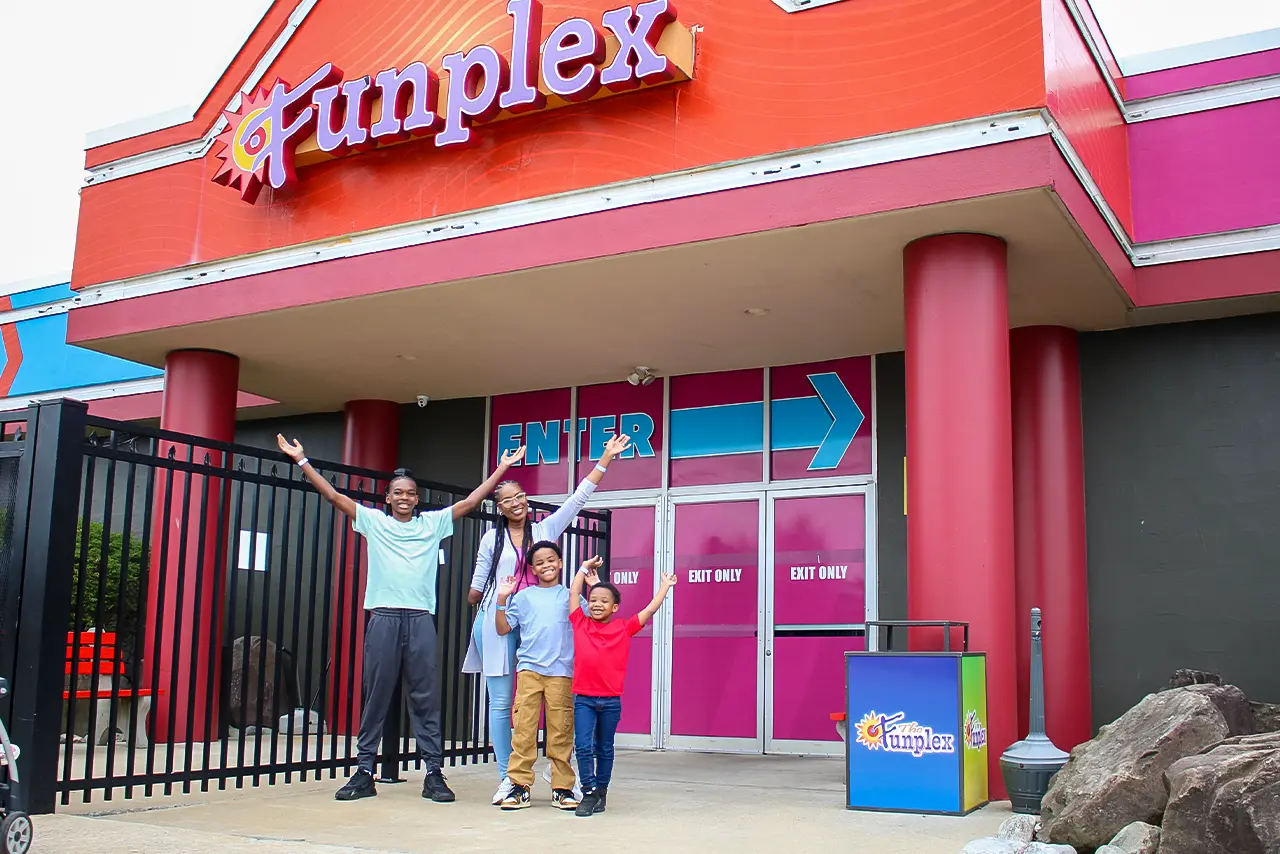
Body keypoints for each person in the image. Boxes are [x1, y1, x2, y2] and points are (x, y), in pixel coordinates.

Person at [276, 433, 526, 803]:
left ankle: (433, 774)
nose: (405, 497)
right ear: (388, 497)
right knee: (376, 694)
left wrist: (502, 466)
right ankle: (364, 772)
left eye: (411, 492)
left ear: (416, 497)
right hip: (384, 617)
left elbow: (473, 501)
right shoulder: (375, 522)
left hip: (421, 619)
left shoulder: (433, 525)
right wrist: (302, 461)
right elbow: (333, 496)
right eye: (399, 492)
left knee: (425, 696)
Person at [462, 433, 631, 805]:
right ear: (499, 507)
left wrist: (604, 459)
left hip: (545, 619)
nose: (515, 503)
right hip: (501, 616)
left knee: (553, 705)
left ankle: (557, 779)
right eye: (507, 500)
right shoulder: (491, 539)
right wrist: (486, 606)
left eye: (519, 496)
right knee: (505, 704)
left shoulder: (545, 530)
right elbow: (477, 585)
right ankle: (509, 778)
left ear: (526, 499)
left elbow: (578, 499)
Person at [568, 556, 676, 816]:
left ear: (615, 607)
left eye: (604, 601)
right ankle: (589, 791)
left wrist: (664, 586)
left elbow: (650, 609)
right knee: (582, 746)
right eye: (593, 600)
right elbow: (573, 592)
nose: (596, 605)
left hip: (610, 700)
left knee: (604, 747)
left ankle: (601, 791)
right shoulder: (579, 623)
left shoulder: (624, 628)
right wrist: (583, 570)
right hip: (584, 698)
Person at [493, 541, 578, 811]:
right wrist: (502, 599)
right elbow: (503, 627)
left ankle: (562, 787)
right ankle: (519, 786)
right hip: (529, 671)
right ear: (532, 569)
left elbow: (590, 624)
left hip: (561, 674)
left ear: (561, 563)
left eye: (551, 560)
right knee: (524, 730)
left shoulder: (571, 596)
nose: (547, 565)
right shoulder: (523, 597)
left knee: (561, 731)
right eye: (540, 562)